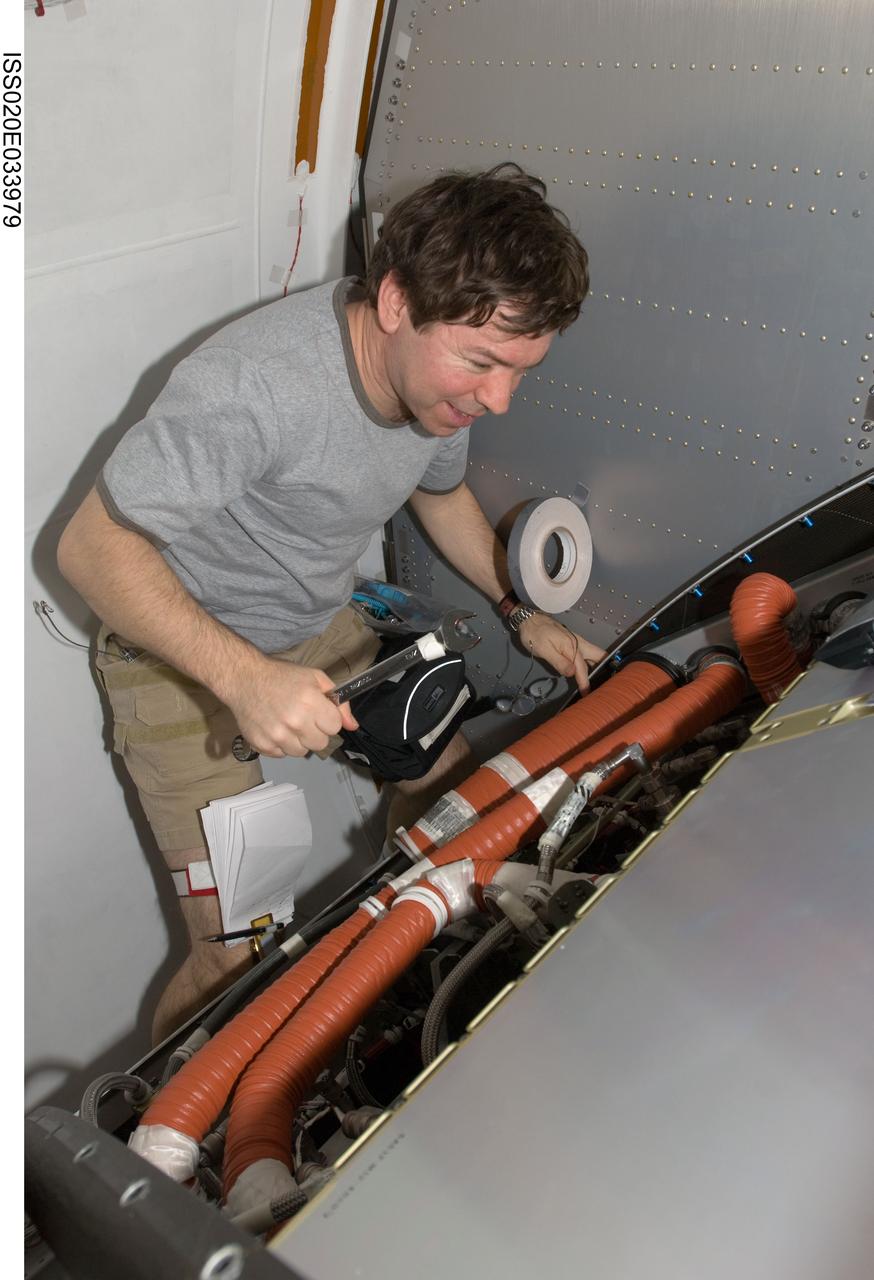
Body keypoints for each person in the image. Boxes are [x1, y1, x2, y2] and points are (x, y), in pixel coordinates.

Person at [57, 163, 605, 1044]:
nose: (497, 400)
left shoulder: (431, 395)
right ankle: (139, 1148)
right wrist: (245, 680)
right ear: (395, 301)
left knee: (458, 801)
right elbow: (88, 547)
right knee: (236, 955)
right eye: (482, 363)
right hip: (175, 660)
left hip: (316, 631)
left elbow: (436, 493)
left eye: (520, 372)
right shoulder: (258, 387)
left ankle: (408, 981)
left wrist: (519, 608)